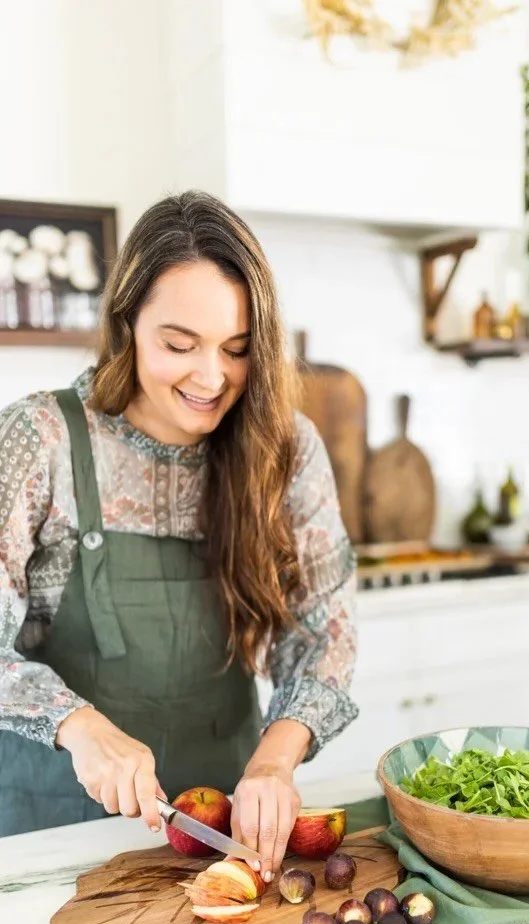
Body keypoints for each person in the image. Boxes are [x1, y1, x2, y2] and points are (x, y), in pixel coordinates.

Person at [0, 191, 358, 885]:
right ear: (126, 322)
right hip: (45, 830)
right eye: (178, 344)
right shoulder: (36, 440)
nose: (210, 377)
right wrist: (81, 727)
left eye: (237, 349)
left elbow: (325, 633)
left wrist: (275, 761)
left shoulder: (287, 449)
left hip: (225, 825)